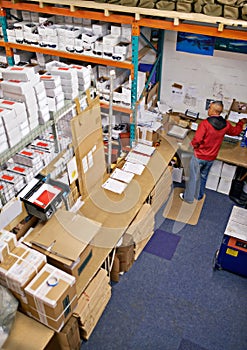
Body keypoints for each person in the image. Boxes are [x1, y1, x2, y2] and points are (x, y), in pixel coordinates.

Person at [180, 100, 247, 204]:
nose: (208, 109)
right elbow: (236, 132)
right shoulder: (226, 124)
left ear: (214, 110)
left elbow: (197, 140)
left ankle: (188, 198)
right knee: (202, 177)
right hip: (211, 158)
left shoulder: (205, 124)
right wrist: (241, 123)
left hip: (199, 156)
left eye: (210, 107)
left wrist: (190, 148)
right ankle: (199, 195)